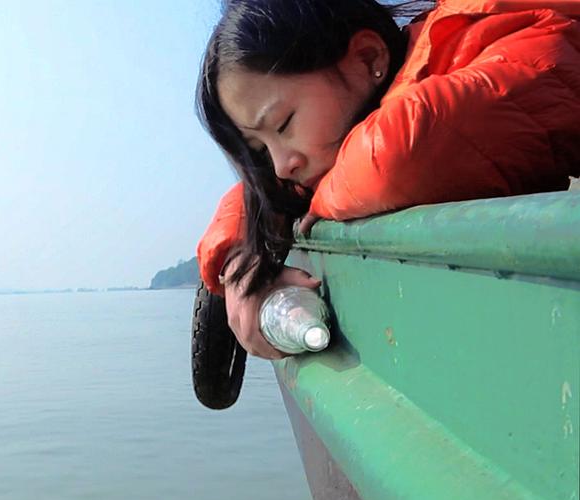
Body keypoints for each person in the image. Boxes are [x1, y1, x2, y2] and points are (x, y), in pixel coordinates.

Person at [195, 0, 580, 359]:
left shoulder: (511, 40)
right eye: (261, 150)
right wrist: (239, 258)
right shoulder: (373, 109)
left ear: (367, 58)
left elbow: (405, 152)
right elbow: (266, 186)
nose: (281, 166)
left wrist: (314, 201)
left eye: (283, 125)